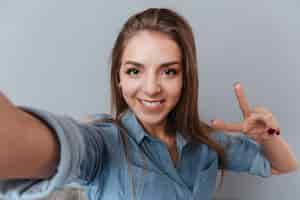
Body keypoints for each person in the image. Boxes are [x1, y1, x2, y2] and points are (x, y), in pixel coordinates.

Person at [0, 8, 298, 200]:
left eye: (168, 71)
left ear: (185, 78)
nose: (152, 88)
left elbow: (283, 165)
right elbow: (37, 144)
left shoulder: (206, 141)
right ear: (118, 77)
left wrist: (267, 136)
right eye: (134, 70)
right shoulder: (102, 145)